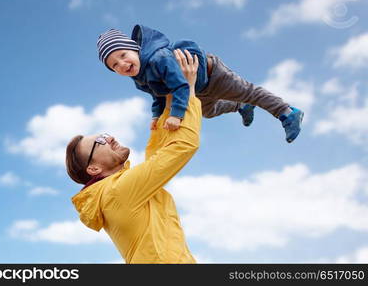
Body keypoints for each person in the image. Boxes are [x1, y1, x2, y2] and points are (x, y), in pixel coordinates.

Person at [66, 49, 201, 263]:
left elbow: (157, 156)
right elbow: (182, 147)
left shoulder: (118, 191)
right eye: (100, 141)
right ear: (94, 169)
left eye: (104, 135)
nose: (109, 139)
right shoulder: (117, 192)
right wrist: (189, 91)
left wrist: (170, 98)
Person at [96, 25, 304, 143]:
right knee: (208, 111)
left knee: (248, 92)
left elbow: (180, 87)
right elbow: (158, 95)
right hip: (197, 89)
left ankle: (286, 112)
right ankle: (241, 107)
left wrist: (176, 116)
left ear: (135, 49)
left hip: (212, 74)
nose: (122, 64)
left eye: (123, 55)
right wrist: (156, 115)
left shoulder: (159, 58)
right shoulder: (139, 77)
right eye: (114, 65)